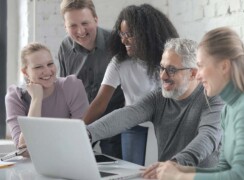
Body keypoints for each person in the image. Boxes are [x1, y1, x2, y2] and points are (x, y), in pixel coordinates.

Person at [156, 27, 244, 180]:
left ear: (224, 66)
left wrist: (180, 177)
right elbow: (224, 169)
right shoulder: (228, 109)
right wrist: (180, 170)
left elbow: (243, 176)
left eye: (200, 66)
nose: (198, 76)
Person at [87, 38, 223, 174]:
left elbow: (208, 136)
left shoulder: (213, 97)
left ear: (192, 73)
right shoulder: (158, 98)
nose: (163, 76)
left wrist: (175, 164)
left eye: (171, 70)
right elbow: (127, 114)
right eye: (162, 68)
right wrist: (87, 133)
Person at [82, 4, 179, 165]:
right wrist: (78, 130)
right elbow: (100, 103)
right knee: (133, 172)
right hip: (132, 125)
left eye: (130, 34)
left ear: (147, 34)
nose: (123, 40)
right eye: (121, 33)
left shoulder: (168, 60)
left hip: (165, 126)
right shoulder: (119, 62)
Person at [58, 0, 125, 158]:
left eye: (85, 23)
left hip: (113, 121)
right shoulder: (65, 47)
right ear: (65, 27)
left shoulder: (117, 43)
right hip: (79, 120)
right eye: (73, 26)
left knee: (115, 167)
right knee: (71, 163)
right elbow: (64, 91)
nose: (80, 31)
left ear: (96, 19)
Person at [5, 42, 89, 154]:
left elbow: (81, 138)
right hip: (31, 165)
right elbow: (24, 150)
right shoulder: (15, 96)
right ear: (25, 72)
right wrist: (36, 99)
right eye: (38, 67)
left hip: (70, 158)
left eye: (50, 64)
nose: (47, 71)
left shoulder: (71, 86)